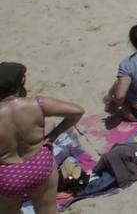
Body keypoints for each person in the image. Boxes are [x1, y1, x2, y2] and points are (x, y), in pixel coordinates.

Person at [0, 62, 83, 214]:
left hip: (7, 175)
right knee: (47, 209)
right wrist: (53, 134)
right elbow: (77, 111)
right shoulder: (37, 104)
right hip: (39, 166)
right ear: (22, 81)